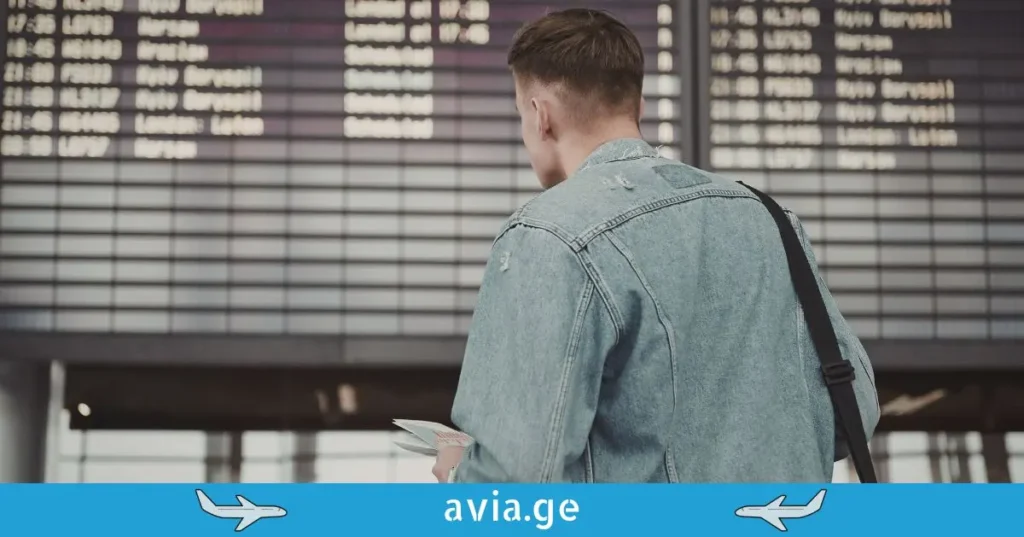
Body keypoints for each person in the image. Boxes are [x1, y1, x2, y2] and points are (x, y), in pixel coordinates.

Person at [432, 8, 879, 483]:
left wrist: (462, 472)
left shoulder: (548, 235)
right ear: (637, 107)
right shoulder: (771, 220)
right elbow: (856, 413)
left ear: (541, 117)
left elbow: (515, 480)